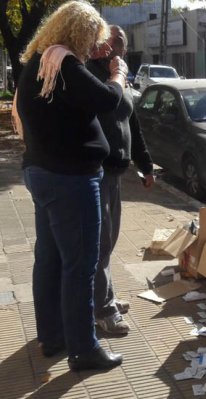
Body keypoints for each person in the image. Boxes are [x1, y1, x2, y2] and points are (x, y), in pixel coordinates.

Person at [17, 1, 128, 371]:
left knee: (49, 259)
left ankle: (53, 336)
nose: (94, 47)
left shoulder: (41, 59)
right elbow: (107, 100)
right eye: (93, 39)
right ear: (79, 33)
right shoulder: (63, 62)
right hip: (71, 179)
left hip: (43, 172)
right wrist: (118, 74)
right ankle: (84, 349)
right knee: (80, 264)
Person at [86, 26, 155, 334]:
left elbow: (133, 124)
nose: (119, 54)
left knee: (110, 241)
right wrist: (114, 74)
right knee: (100, 243)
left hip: (116, 171)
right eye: (115, 48)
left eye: (123, 49)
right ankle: (102, 310)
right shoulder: (89, 74)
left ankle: (105, 295)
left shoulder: (120, 76)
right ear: (101, 46)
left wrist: (146, 164)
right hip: (96, 170)